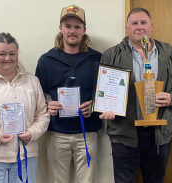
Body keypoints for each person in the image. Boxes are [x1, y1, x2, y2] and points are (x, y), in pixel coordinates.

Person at [99, 7, 172, 183]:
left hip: (159, 134)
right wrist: (106, 107)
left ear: (151, 27)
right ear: (127, 29)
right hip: (124, 132)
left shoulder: (169, 53)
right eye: (134, 23)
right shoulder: (111, 55)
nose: (139, 27)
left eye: (143, 22)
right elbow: (103, 90)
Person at [35, 5, 102, 183]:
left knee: (87, 181)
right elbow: (39, 94)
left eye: (77, 27)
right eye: (68, 26)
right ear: (60, 28)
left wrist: (94, 105)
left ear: (84, 30)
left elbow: (106, 93)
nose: (72, 31)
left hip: (87, 132)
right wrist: (48, 103)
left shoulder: (98, 59)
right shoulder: (46, 60)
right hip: (57, 133)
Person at [0, 32, 50, 183]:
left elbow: (43, 114)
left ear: (17, 55)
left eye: (12, 54)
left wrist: (32, 133)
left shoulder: (32, 81)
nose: (7, 58)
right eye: (2, 54)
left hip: (25, 156)